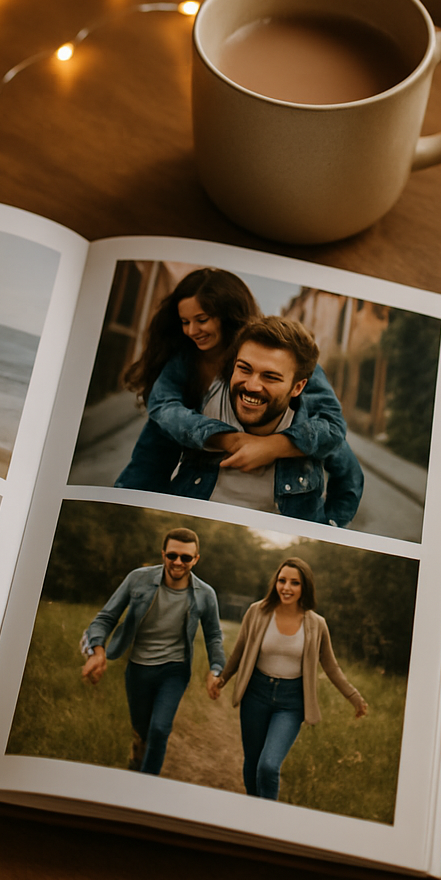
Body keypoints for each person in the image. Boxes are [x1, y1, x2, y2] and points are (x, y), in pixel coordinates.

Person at [114, 268, 347, 493]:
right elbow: (163, 409)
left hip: (270, 486)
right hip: (199, 476)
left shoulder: (283, 356)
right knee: (157, 433)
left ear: (228, 315)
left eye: (202, 319)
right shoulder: (184, 359)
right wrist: (228, 439)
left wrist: (271, 446)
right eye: (185, 322)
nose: (192, 330)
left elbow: (334, 427)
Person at [168, 317, 364, 526]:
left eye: (270, 377)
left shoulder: (316, 433)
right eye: (244, 368)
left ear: (297, 387)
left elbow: (350, 478)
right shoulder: (204, 407)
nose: (252, 386)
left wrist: (330, 527)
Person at [215, 558, 368, 800]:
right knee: (253, 761)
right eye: (282, 581)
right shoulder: (257, 611)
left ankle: (269, 815)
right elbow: (239, 651)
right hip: (256, 695)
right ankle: (252, 811)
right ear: (275, 582)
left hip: (291, 703)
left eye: (294, 583)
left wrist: (354, 697)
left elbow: (331, 666)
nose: (286, 587)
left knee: (268, 765)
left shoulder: (317, 624)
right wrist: (222, 679)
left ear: (305, 587)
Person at [80, 528, 225, 775]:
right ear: (163, 554)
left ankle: (146, 783)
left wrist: (215, 669)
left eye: (186, 557)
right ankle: (138, 754)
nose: (178, 562)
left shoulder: (205, 594)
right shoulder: (138, 579)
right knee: (142, 729)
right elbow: (106, 617)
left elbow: (213, 636)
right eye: (172, 555)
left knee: (159, 729)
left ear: (196, 559)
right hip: (137, 669)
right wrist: (97, 651)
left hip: (174, 671)